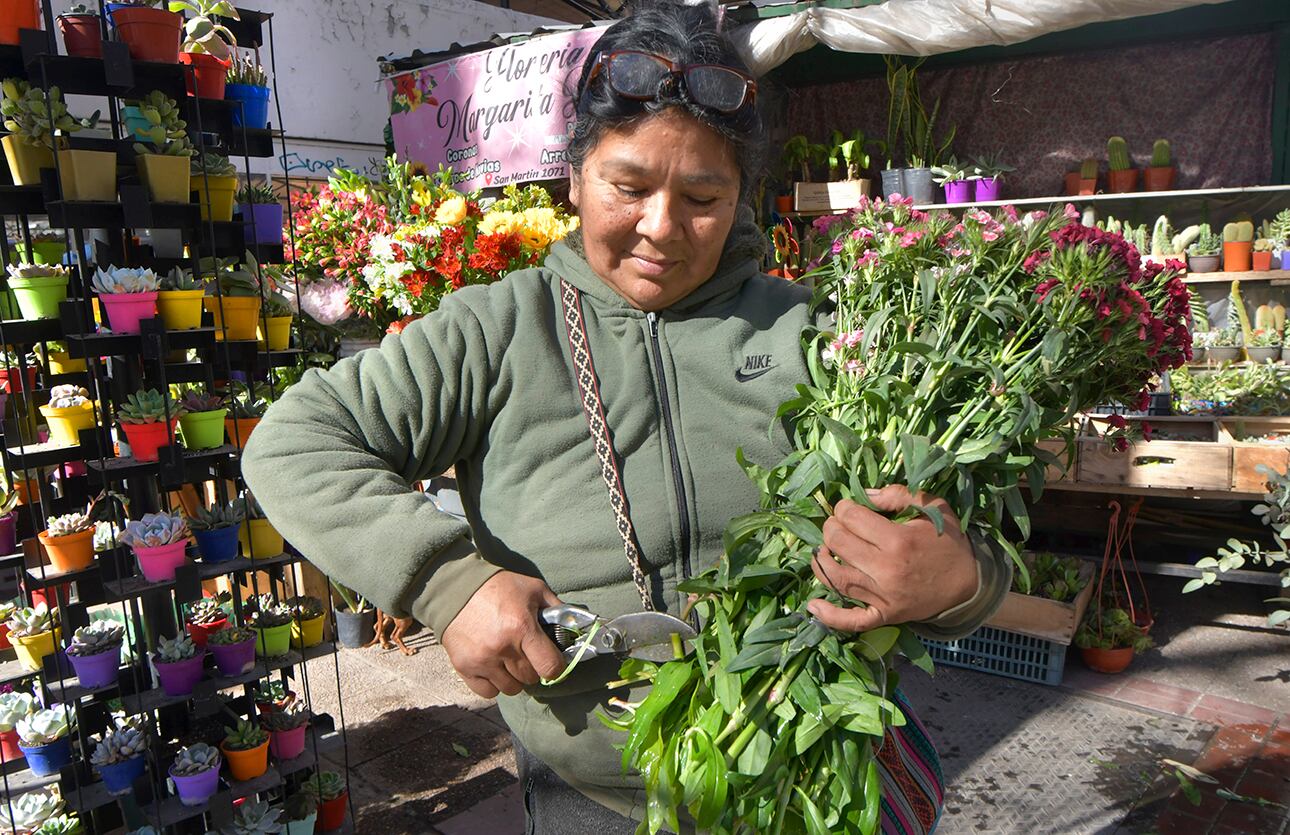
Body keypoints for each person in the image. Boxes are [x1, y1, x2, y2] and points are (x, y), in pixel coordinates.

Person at [243, 3, 1011, 832]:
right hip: (595, 800)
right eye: (630, 186)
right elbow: (294, 441)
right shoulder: (497, 329)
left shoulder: (812, 334)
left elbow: (970, 528)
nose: (661, 228)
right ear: (575, 175)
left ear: (743, 196)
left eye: (703, 197)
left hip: (805, 778)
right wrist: (445, 584)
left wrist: (961, 579)